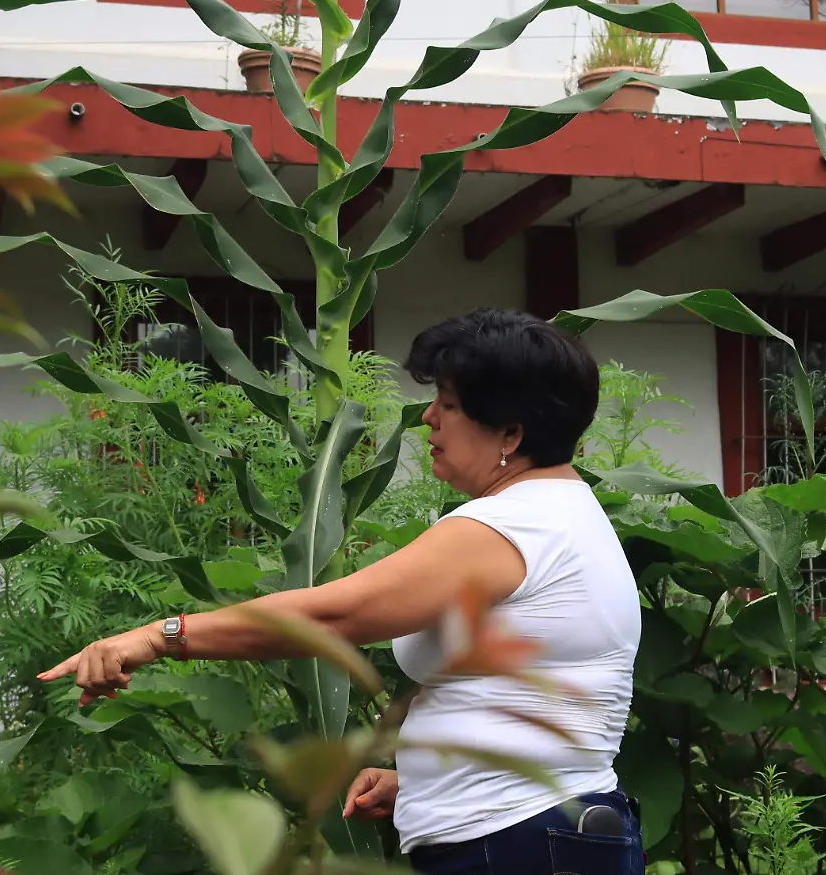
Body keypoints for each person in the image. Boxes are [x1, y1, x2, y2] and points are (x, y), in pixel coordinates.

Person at [40, 307, 644, 874]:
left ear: (509, 431)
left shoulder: (513, 526)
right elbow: (546, 699)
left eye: (450, 404)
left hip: (521, 842)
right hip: (539, 832)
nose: (429, 418)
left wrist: (158, 637)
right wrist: (421, 779)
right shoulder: (561, 514)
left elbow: (334, 617)